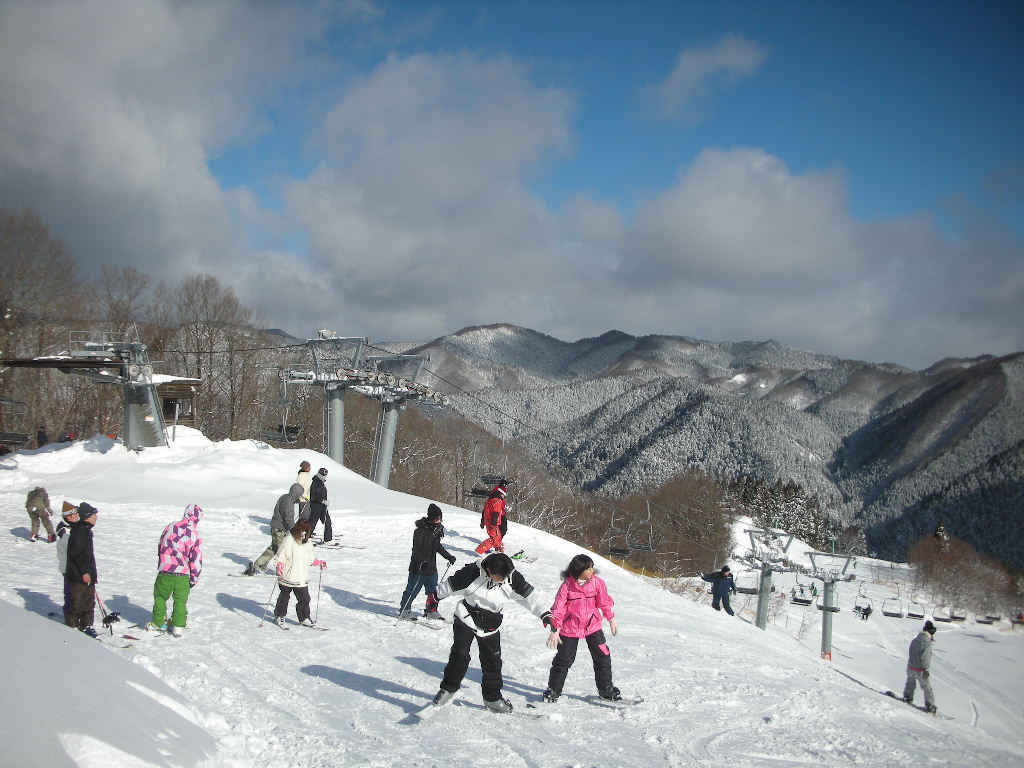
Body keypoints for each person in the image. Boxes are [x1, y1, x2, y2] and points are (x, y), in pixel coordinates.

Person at [430, 552, 554, 713]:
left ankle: (492, 698)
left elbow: (530, 597)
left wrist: (545, 614)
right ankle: (448, 688)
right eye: (499, 577)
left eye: (505, 577)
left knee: (492, 662)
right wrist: (434, 598)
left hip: (490, 623)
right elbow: (449, 586)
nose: (503, 580)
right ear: (488, 570)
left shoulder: (511, 576)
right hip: (466, 617)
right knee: (460, 654)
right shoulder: (470, 573)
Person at [543, 554, 621, 703]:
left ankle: (606, 689)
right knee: (564, 659)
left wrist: (611, 618)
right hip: (570, 627)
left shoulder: (597, 583)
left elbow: (604, 602)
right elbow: (558, 608)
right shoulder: (567, 585)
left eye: (592, 567)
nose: (592, 571)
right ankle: (553, 690)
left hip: (592, 625)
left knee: (602, 656)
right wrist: (555, 629)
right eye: (589, 568)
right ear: (579, 570)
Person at [149, 504, 203, 637]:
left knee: (160, 597)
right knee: (180, 601)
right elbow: (196, 559)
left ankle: (158, 622)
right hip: (182, 574)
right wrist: (194, 578)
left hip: (165, 571)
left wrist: (162, 561)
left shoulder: (171, 526)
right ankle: (178, 626)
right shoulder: (195, 535)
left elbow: (160, 543)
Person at [398, 504, 456, 621]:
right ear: (431, 518)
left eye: (440, 518)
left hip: (431, 568)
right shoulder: (420, 532)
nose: (439, 521)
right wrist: (422, 562)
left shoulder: (436, 531)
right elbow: (416, 550)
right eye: (437, 518)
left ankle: (431, 611)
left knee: (433, 592)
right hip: (418, 568)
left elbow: (438, 547)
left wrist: (449, 557)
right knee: (412, 589)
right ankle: (405, 610)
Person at [272, 519, 326, 628]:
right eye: (302, 531)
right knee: (284, 597)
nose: (304, 533)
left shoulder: (307, 542)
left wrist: (318, 562)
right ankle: (280, 615)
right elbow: (281, 554)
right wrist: (280, 565)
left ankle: (304, 617)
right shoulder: (289, 539)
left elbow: (310, 557)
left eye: (306, 531)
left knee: (305, 599)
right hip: (288, 575)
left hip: (301, 577)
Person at [245, 483, 303, 575]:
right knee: (282, 549)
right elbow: (288, 517)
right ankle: (280, 569)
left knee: (275, 547)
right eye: (299, 494)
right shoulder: (289, 501)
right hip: (279, 528)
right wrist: (294, 530)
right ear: (296, 492)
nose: (300, 496)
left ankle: (260, 564)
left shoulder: (286, 497)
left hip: (277, 526)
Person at [64, 502, 100, 637]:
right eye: (94, 514)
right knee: (77, 602)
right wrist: (85, 572)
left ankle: (86, 625)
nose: (96, 517)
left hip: (87, 574)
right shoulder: (80, 531)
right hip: (78, 576)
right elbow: (76, 554)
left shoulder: (85, 529)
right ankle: (71, 628)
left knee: (88, 602)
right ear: (88, 516)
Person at [902, 621, 937, 713]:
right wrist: (925, 669)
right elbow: (925, 657)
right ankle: (929, 705)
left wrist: (909, 665)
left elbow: (911, 653)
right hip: (921, 670)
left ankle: (907, 697)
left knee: (910, 683)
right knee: (926, 688)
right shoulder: (927, 643)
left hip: (911, 667)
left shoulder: (915, 640)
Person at [55, 502, 80, 623]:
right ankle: (70, 619)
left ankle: (74, 617)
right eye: (75, 514)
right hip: (69, 568)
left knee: (76, 594)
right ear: (68, 516)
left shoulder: (72, 528)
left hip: (74, 568)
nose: (77, 516)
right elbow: (72, 550)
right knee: (71, 594)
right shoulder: (65, 531)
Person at [474, 485, 508, 555]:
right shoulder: (498, 501)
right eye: (504, 496)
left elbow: (485, 512)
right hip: (493, 524)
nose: (504, 498)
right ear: (500, 494)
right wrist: (494, 523)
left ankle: (500, 551)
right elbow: (496, 512)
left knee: (497, 538)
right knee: (494, 539)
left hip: (488, 523)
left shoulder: (489, 500)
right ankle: (479, 551)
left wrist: (482, 522)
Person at [308, 467, 332, 543]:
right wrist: (322, 501)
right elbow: (313, 496)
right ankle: (306, 536)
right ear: (319, 474)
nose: (324, 477)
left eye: (325, 475)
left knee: (327, 521)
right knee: (312, 522)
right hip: (316, 506)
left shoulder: (321, 482)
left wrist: (324, 501)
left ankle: (328, 539)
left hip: (322, 506)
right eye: (323, 475)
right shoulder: (315, 482)